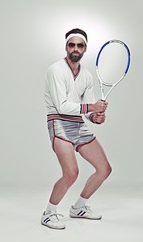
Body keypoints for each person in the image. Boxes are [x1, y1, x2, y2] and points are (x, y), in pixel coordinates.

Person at [41, 28, 112, 230]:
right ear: (66, 47)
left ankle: (78, 208)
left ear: (85, 49)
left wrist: (95, 117)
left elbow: (87, 108)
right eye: (71, 45)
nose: (75, 48)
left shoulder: (87, 76)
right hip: (59, 122)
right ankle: (49, 213)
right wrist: (92, 108)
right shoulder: (55, 70)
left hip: (78, 125)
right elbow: (62, 105)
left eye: (79, 45)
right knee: (71, 173)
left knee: (104, 169)